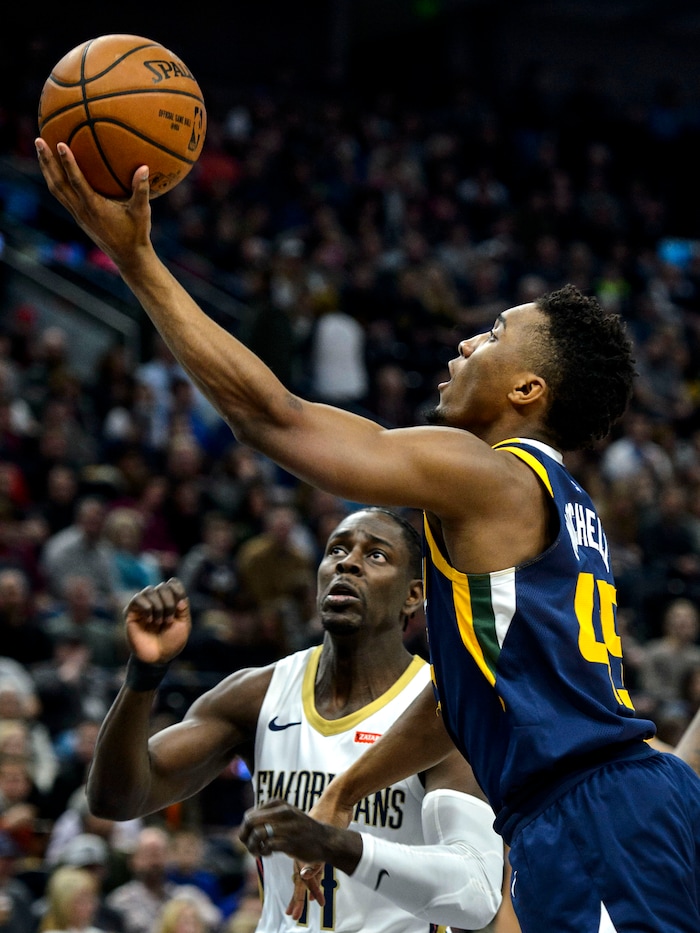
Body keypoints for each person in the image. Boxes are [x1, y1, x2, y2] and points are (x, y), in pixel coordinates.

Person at [34, 139, 700, 932]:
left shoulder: (487, 472)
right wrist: (344, 791)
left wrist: (137, 260)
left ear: (528, 388)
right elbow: (463, 700)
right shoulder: (549, 503)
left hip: (592, 814)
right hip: (593, 807)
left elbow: (273, 417)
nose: (465, 343)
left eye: (491, 333)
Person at [85, 507, 503, 932]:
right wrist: (144, 676)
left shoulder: (441, 709)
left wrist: (337, 845)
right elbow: (116, 800)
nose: (348, 562)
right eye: (336, 549)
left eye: (375, 555)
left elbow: (476, 894)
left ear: (413, 595)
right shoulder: (257, 694)